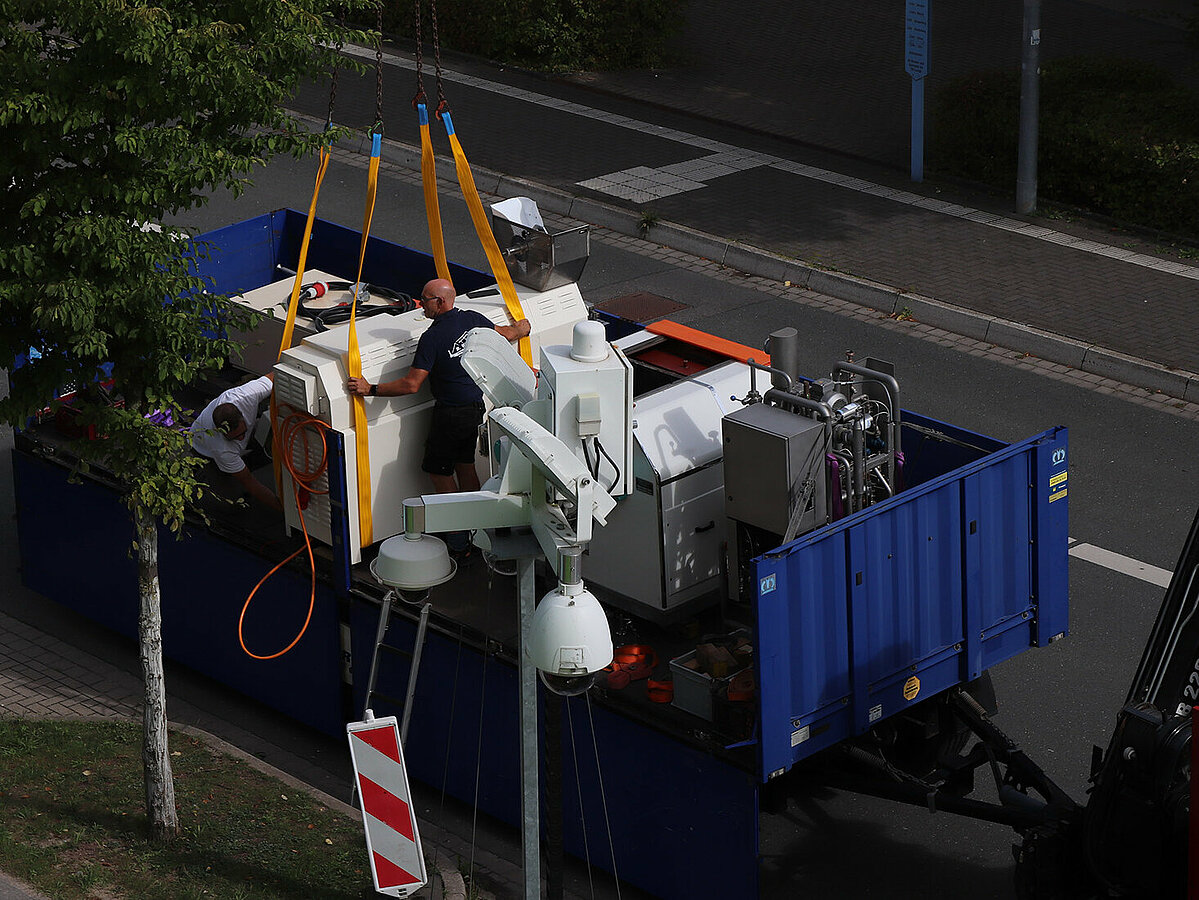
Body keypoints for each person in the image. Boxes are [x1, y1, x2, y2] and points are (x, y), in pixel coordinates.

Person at [346, 278, 531, 551]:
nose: (421, 305)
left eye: (426, 300)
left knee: (437, 471)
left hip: (450, 415)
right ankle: (478, 522)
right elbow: (505, 335)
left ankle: (457, 537)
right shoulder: (472, 319)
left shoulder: (432, 339)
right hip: (474, 408)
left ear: (441, 302)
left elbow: (411, 384)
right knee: (465, 465)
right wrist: (522, 328)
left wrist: (369, 388)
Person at [189, 373, 282, 512]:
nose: (240, 439)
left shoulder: (245, 396)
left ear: (242, 415)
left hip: (235, 438)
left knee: (268, 430)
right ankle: (205, 476)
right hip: (204, 452)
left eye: (242, 433)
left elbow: (276, 376)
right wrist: (284, 511)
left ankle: (253, 456)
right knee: (231, 502)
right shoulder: (222, 449)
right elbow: (250, 483)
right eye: (234, 437)